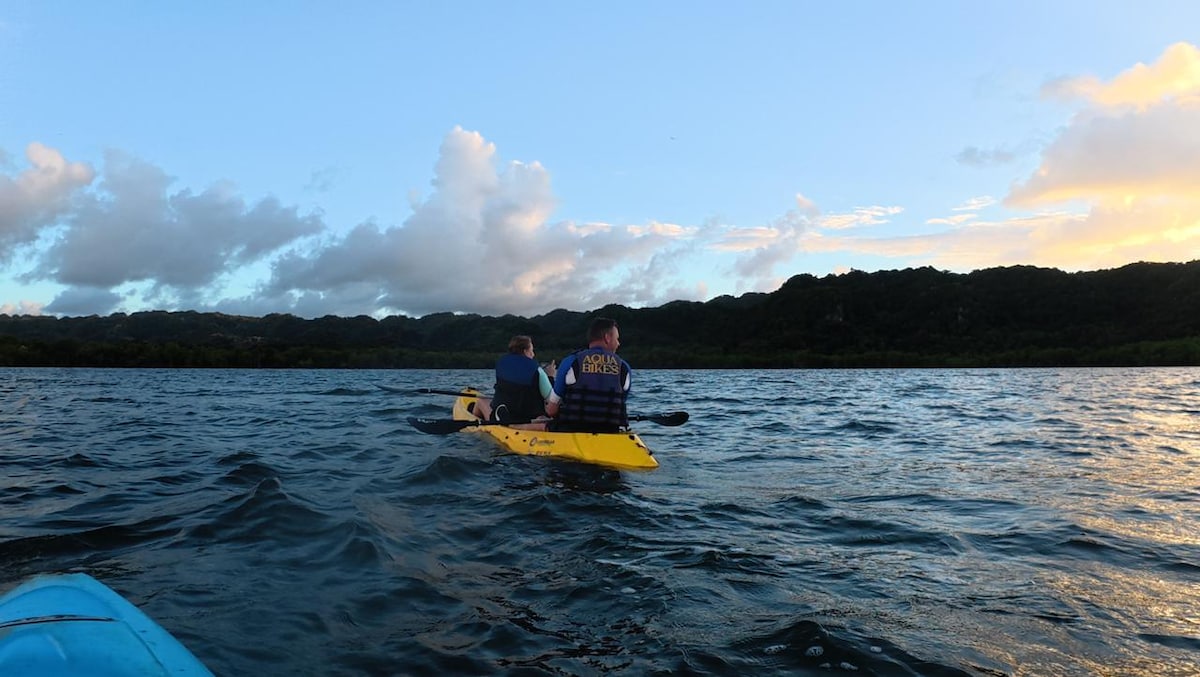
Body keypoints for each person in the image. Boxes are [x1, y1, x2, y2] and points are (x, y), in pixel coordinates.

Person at [545, 317, 630, 433]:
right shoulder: (624, 367)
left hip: (571, 431)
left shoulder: (571, 362)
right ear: (607, 338)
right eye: (617, 339)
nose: (618, 343)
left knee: (533, 425)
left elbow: (551, 410)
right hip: (610, 433)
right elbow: (619, 405)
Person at [471, 335, 553, 430]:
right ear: (525, 351)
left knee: (480, 401)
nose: (533, 354)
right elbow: (551, 399)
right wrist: (550, 377)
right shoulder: (538, 371)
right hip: (529, 418)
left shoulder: (502, 364)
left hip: (504, 416)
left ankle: (476, 425)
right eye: (531, 350)